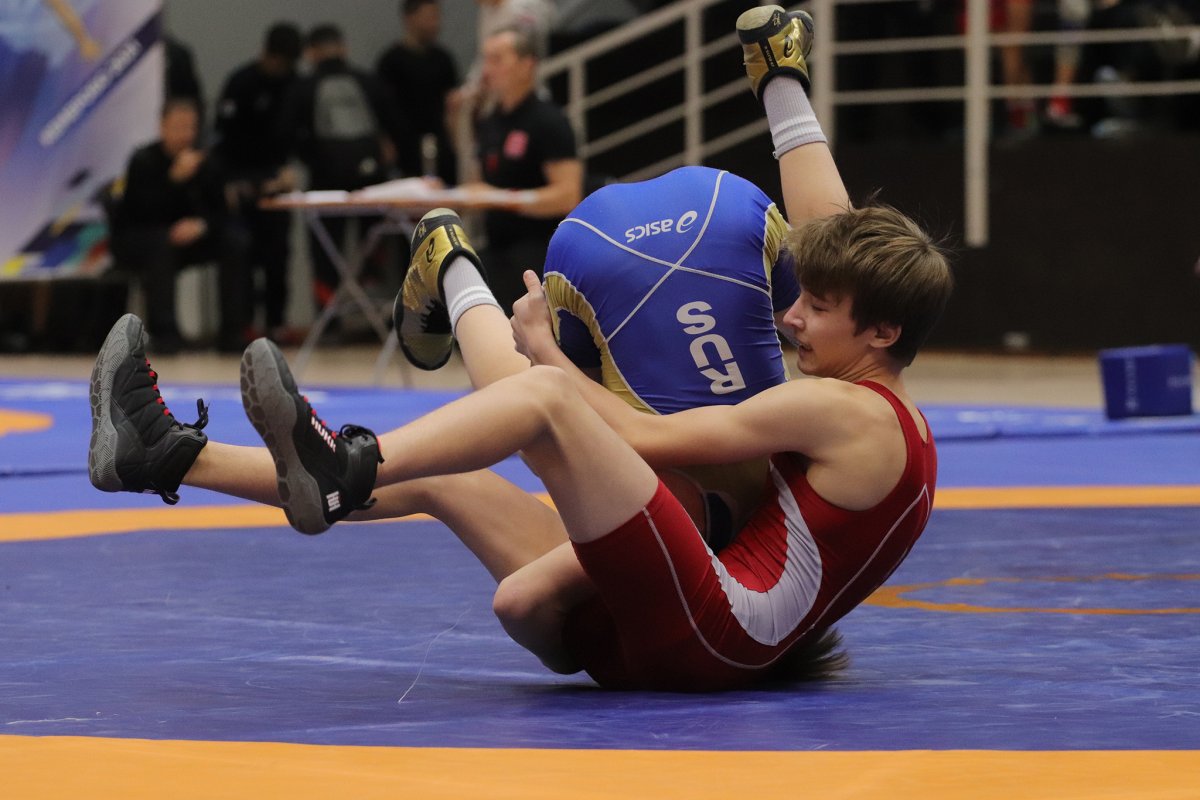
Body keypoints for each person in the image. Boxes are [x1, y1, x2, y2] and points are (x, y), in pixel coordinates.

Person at [89, 6, 953, 691]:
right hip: (662, 637)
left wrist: (549, 354)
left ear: (882, 334)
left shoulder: (845, 412)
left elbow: (643, 439)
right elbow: (835, 246)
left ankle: (360, 433)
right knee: (445, 476)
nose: (790, 318)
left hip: (706, 634)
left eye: (816, 309)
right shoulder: (883, 410)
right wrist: (781, 86)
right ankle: (165, 454)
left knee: (548, 404)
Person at [279, 23, 403, 310]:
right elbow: (398, 126)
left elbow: (284, 133)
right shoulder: (368, 81)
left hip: (325, 181)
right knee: (373, 246)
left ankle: (328, 316)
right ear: (343, 47)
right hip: (372, 181)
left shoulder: (303, 88)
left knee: (325, 253)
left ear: (311, 53)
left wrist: (311, 158)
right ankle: (375, 314)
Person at [111, 98, 249, 353]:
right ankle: (166, 334)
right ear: (162, 127)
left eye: (190, 127)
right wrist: (173, 181)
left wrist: (201, 225)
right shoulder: (144, 160)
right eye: (178, 127)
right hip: (147, 238)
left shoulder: (206, 162)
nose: (185, 135)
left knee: (235, 241)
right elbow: (138, 213)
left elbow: (222, 211)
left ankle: (232, 332)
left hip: (192, 237)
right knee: (160, 245)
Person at [464, 25, 582, 314]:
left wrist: (502, 198)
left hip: (539, 247)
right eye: (485, 60)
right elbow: (479, 188)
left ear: (527, 65)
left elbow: (568, 195)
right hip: (496, 246)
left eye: (497, 59)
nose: (487, 70)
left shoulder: (548, 121)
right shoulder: (490, 122)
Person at [214, 22, 303, 343]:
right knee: (245, 255)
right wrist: (232, 182)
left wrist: (285, 172)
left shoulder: (293, 84)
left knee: (278, 254)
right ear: (267, 54)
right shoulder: (241, 83)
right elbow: (224, 138)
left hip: (276, 179)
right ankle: (246, 322)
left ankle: (276, 321)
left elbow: (296, 135)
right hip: (241, 178)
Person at [376, 0, 461, 185]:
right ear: (410, 18)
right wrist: (386, 141)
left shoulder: (443, 59)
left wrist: (456, 140)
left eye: (437, 17)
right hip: (405, 146)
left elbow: (452, 104)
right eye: (429, 17)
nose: (435, 23)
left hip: (440, 144)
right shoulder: (390, 61)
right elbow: (381, 108)